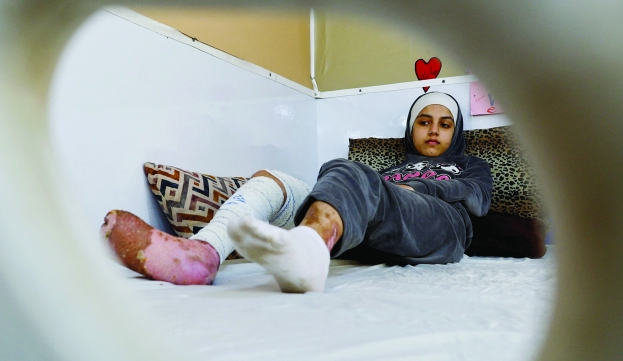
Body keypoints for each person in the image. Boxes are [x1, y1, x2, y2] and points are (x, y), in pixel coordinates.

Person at [102, 91, 492, 292]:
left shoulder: (469, 165)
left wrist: (417, 186)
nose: (434, 130)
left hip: (439, 227)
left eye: (444, 124)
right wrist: (374, 186)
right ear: (411, 128)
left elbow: (477, 200)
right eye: (424, 122)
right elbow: (365, 192)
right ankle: (204, 254)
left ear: (455, 132)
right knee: (274, 179)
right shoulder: (387, 172)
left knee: (353, 174)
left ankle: (308, 251)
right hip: (372, 227)